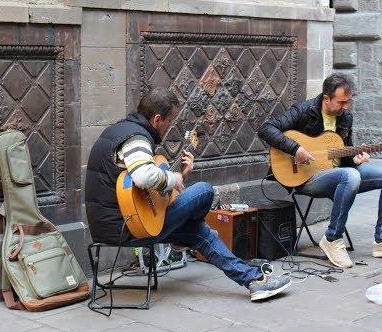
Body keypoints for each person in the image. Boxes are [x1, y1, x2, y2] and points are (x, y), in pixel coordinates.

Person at [85, 87, 291, 301]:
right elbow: (143, 178)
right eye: (169, 121)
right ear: (157, 118)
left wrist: (178, 176)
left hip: (116, 224)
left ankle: (254, 281)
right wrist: (176, 179)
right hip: (128, 228)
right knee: (204, 190)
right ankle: (182, 236)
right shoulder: (136, 139)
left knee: (201, 233)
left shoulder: (118, 131)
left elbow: (137, 190)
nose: (168, 127)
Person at [258, 72, 382, 268]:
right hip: (306, 178)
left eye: (348, 102)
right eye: (342, 102)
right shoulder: (304, 110)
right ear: (326, 98)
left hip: (341, 175)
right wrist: (296, 149)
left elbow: (346, 159)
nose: (346, 107)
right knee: (349, 176)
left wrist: (356, 159)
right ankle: (332, 239)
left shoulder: (345, 118)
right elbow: (266, 128)